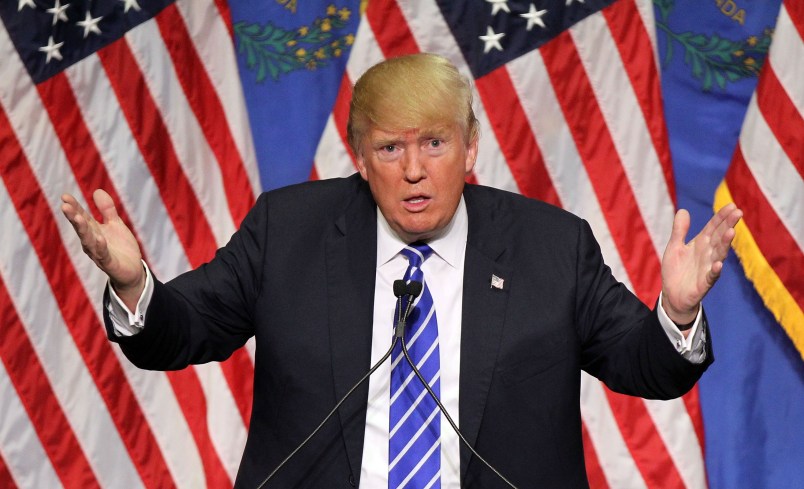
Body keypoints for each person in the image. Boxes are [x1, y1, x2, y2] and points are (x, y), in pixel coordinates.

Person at [61, 53, 742, 488]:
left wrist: (676, 315)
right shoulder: (288, 230)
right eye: (390, 148)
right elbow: (185, 331)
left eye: (435, 143)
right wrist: (133, 282)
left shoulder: (550, 246)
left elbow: (642, 363)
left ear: (471, 146)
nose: (414, 170)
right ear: (359, 157)